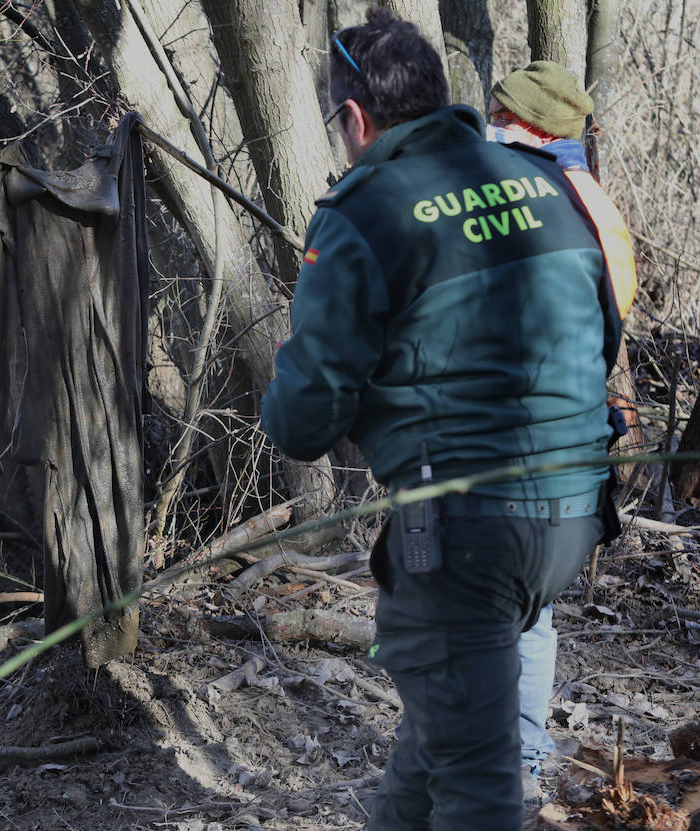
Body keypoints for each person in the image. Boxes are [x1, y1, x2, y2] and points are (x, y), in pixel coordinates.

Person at [260, 10, 622, 830]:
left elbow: (303, 421)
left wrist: (287, 375)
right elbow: (603, 335)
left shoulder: (365, 211)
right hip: (573, 522)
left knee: (476, 783)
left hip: (467, 537)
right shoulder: (545, 181)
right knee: (441, 730)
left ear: (355, 118)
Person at [485, 59, 638, 800]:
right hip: (573, 462)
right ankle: (526, 771)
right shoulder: (596, 211)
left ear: (519, 123)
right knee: (533, 616)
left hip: (493, 456)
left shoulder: (485, 194)